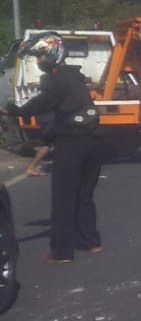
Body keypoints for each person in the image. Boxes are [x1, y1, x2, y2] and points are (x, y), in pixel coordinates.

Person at [2, 32, 106, 264]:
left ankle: (62, 252)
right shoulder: (75, 77)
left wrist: (13, 110)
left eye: (39, 56)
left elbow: (42, 103)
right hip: (94, 141)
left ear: (50, 55)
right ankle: (91, 241)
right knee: (84, 195)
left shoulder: (55, 79)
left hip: (73, 143)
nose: (38, 61)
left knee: (63, 198)